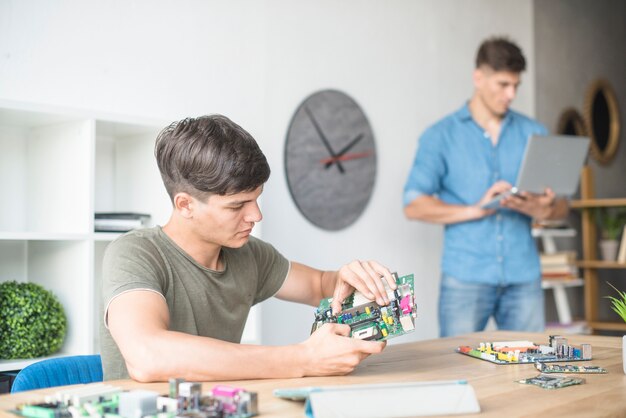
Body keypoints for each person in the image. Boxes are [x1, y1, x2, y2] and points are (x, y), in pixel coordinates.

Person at [101, 114, 397, 381]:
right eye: (237, 206)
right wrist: (303, 359)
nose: (256, 215)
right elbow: (147, 356)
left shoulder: (251, 255)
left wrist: (347, 277)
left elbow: (321, 285)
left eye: (256, 199)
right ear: (185, 205)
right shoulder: (134, 254)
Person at [403, 36, 569, 337]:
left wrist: (541, 208)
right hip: (465, 277)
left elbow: (562, 207)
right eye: (503, 84)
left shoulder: (535, 132)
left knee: (532, 369)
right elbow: (413, 205)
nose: (511, 94)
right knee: (459, 368)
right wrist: (475, 209)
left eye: (516, 86)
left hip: (524, 276)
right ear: (478, 77)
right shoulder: (440, 136)